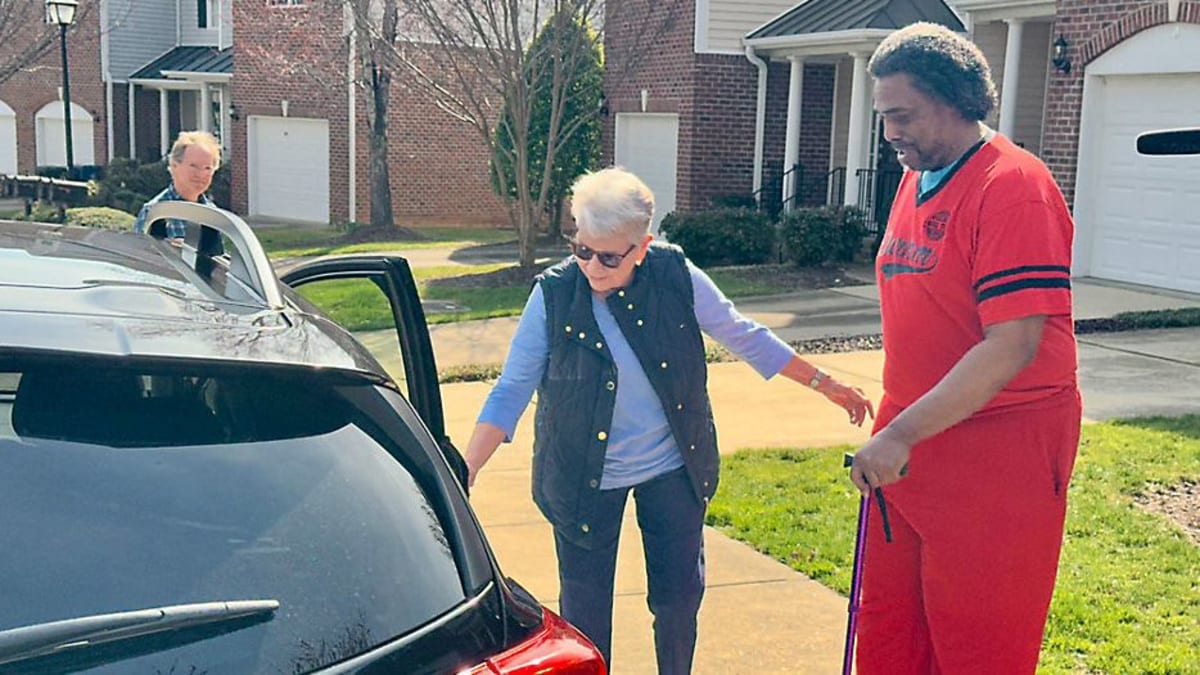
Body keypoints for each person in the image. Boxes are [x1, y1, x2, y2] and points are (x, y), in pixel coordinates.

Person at [464, 167, 874, 673]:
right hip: (579, 475)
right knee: (586, 618)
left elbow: (742, 334)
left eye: (609, 257)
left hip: (672, 465)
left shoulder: (675, 276)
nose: (592, 267)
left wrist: (824, 383)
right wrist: (468, 467)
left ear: (643, 247)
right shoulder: (554, 294)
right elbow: (511, 388)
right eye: (582, 249)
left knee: (678, 603)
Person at [847, 22, 1082, 674]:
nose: (889, 132)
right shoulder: (916, 176)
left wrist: (900, 433)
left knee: (980, 649)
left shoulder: (1013, 187)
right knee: (891, 638)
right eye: (883, 116)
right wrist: (898, 430)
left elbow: (1012, 344)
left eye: (902, 115)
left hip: (998, 454)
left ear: (956, 100)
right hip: (912, 446)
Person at [133, 130, 221, 239]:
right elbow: (140, 250)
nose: (201, 174)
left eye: (207, 168)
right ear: (174, 166)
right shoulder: (155, 214)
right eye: (193, 166)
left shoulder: (213, 214)